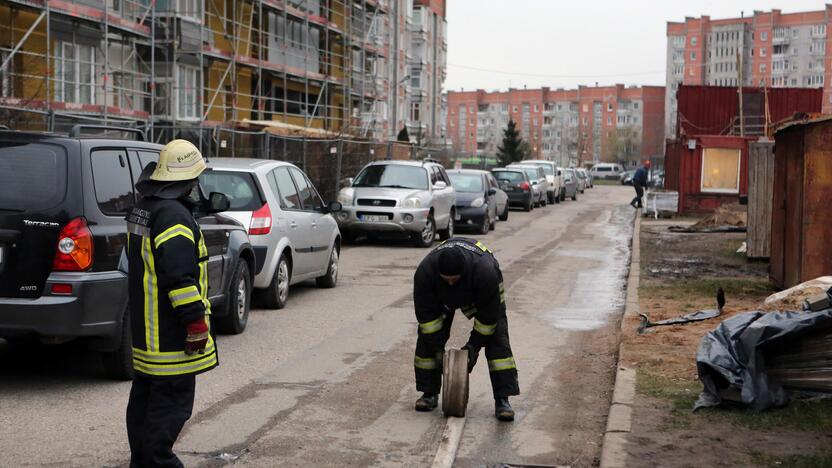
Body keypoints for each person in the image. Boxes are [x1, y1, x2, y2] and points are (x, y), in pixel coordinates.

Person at [125, 139, 218, 467]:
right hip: (170, 342)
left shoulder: (145, 208)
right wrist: (195, 325)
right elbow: (180, 279)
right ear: (189, 179)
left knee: (144, 415)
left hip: (147, 339)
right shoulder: (174, 217)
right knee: (164, 423)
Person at [412, 238, 519, 421]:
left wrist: (473, 348)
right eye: (447, 280)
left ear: (463, 273)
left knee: (497, 338)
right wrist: (438, 350)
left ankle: (502, 399)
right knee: (427, 337)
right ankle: (429, 394)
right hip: (441, 296)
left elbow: (488, 319)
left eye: (455, 280)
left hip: (479, 294)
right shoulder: (425, 272)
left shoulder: (485, 272)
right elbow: (427, 318)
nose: (451, 283)